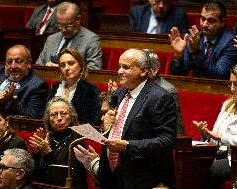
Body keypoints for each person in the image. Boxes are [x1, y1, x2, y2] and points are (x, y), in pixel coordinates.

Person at [74, 48, 177, 189]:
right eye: (119, 66)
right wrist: (105, 125)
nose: (119, 71)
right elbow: (116, 128)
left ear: (143, 71)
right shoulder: (120, 93)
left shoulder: (160, 97)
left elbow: (167, 141)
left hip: (143, 178)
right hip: (112, 176)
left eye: (126, 67)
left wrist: (128, 146)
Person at [169, 0, 237, 78]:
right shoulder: (196, 38)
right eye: (203, 19)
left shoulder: (232, 42)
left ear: (222, 22)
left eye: (211, 21)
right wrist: (179, 56)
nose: (204, 25)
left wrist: (195, 52)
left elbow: (219, 75)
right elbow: (178, 75)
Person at [29, 97, 88, 189]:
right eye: (54, 114)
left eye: (63, 113)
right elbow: (32, 175)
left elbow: (65, 180)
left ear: (71, 117)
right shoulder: (46, 140)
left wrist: (48, 152)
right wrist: (36, 153)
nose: (59, 118)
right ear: (48, 119)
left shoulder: (78, 142)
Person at [35, 1, 103, 69]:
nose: (63, 30)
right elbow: (38, 66)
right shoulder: (51, 39)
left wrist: (62, 69)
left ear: (78, 19)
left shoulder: (91, 40)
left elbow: (94, 69)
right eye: (60, 25)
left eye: (68, 25)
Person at [47, 48, 101, 126]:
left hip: (78, 134)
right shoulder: (56, 87)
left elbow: (92, 121)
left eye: (71, 63)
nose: (66, 68)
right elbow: (46, 114)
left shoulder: (90, 90)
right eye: (62, 65)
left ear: (81, 66)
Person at [143, 49, 185, 136]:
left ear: (154, 70)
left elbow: (176, 129)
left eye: (141, 68)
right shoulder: (131, 87)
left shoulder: (167, 92)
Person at [0, 44, 48, 118]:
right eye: (9, 62)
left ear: (29, 63)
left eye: (18, 61)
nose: (13, 66)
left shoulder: (38, 85)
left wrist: (10, 101)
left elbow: (32, 116)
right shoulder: (0, 72)